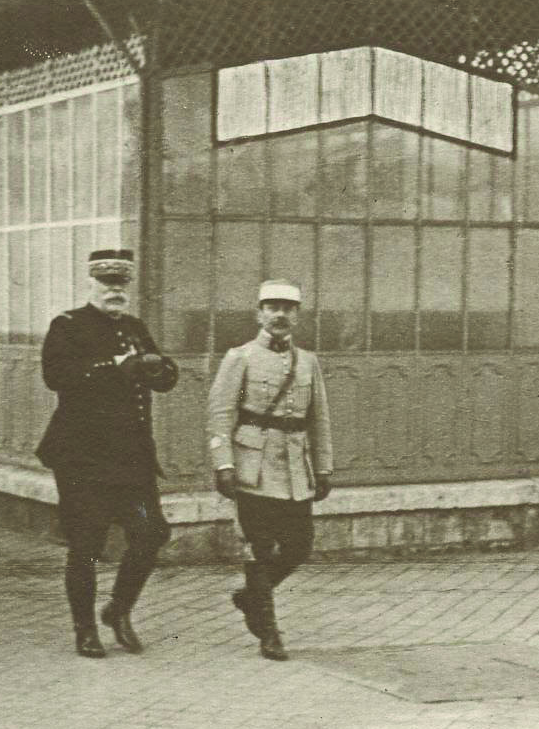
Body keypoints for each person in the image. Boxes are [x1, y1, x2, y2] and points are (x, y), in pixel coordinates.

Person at [36, 248, 179, 658]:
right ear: (91, 284)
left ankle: (118, 610)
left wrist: (161, 368)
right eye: (106, 283)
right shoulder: (68, 325)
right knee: (86, 543)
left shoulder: (135, 327)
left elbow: (159, 376)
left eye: (121, 284)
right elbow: (55, 376)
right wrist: (112, 367)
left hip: (130, 458)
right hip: (82, 457)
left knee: (151, 532)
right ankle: (84, 630)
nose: (114, 291)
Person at [206, 279, 333, 661]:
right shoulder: (239, 357)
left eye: (287, 308)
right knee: (259, 549)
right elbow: (219, 414)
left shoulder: (308, 361)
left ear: (297, 315)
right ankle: (268, 631)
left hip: (295, 468)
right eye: (272, 307)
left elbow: (320, 419)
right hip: (253, 467)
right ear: (258, 313)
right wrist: (224, 464)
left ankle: (250, 597)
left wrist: (323, 468)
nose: (279, 315)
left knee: (299, 546)